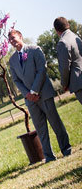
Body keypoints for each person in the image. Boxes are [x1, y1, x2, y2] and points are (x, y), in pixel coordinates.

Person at [8, 29, 71, 162]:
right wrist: (27, 94)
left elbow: (42, 70)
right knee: (40, 129)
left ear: (20, 36)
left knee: (56, 124)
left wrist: (34, 91)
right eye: (10, 39)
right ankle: (48, 156)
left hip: (44, 93)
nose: (12, 41)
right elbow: (16, 80)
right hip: (30, 101)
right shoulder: (12, 60)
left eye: (14, 37)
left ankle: (66, 149)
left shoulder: (35, 50)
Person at [53, 17, 82, 104]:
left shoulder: (63, 42)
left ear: (56, 30)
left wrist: (64, 84)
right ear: (67, 25)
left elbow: (65, 67)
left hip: (78, 82)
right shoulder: (76, 37)